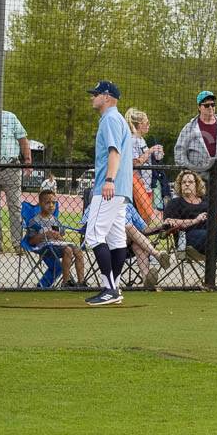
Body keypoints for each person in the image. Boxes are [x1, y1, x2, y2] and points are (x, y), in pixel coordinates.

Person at [83, 81, 134, 306]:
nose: (92, 97)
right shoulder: (116, 118)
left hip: (111, 187)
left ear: (107, 97)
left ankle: (109, 288)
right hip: (121, 189)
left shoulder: (111, 119)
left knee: (94, 236)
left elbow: (115, 152)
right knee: (116, 239)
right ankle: (114, 286)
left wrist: (109, 180)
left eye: (96, 94)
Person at [161, 170, 217, 261]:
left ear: (197, 185)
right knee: (214, 235)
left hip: (214, 231)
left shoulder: (207, 201)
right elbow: (167, 222)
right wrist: (195, 220)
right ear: (180, 185)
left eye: (190, 182)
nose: (187, 184)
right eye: (184, 182)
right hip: (189, 236)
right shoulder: (174, 203)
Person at [174, 90, 217, 185]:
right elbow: (179, 152)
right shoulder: (189, 128)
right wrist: (188, 175)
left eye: (213, 105)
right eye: (206, 105)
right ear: (199, 107)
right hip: (196, 182)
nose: (210, 108)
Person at [25, 189, 86, 288]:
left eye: (53, 203)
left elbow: (60, 236)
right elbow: (31, 241)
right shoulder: (35, 221)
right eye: (47, 202)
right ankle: (66, 282)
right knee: (68, 250)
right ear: (40, 204)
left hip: (56, 245)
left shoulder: (55, 221)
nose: (51, 205)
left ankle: (81, 282)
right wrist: (45, 234)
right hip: (43, 247)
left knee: (78, 250)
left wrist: (58, 237)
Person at [0, 109, 32, 253]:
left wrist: (28, 160)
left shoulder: (10, 117)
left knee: (15, 207)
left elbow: (23, 139)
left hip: (12, 167)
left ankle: (18, 243)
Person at [124, 107, 162, 223]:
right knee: (142, 220)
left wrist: (157, 153)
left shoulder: (141, 140)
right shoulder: (132, 140)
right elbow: (134, 163)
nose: (149, 125)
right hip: (137, 184)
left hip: (146, 184)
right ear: (140, 125)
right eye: (147, 123)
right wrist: (150, 151)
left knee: (146, 219)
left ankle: (140, 240)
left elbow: (146, 159)